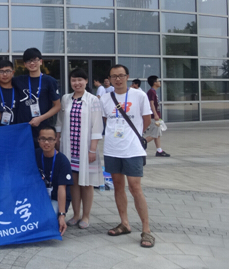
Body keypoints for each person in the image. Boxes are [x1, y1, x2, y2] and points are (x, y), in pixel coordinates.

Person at [101, 64, 155, 248]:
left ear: (127, 77)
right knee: (118, 186)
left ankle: (146, 230)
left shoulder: (139, 95)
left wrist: (133, 135)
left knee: (135, 187)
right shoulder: (105, 98)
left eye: (121, 75)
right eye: (114, 76)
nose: (117, 79)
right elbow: (106, 121)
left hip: (132, 149)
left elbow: (147, 120)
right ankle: (124, 223)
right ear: (109, 79)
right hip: (112, 148)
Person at [56, 68, 103, 229]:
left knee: (87, 183)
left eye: (80, 80)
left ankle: (86, 216)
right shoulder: (66, 98)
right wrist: (57, 139)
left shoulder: (93, 100)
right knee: (73, 182)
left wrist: (92, 149)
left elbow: (97, 126)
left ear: (86, 81)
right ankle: (76, 215)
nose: (77, 83)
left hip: (86, 148)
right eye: (74, 80)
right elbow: (60, 121)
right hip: (69, 148)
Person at [12, 48, 61, 148]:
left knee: (41, 155)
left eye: (35, 60)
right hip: (24, 128)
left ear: (41, 61)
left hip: (43, 128)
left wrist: (40, 118)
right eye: (28, 61)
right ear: (25, 64)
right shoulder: (19, 80)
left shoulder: (49, 81)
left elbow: (57, 106)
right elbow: (2, 81)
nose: (32, 63)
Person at [35, 125, 72, 237]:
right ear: (38, 140)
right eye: (43, 139)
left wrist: (62, 215)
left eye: (50, 139)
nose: (46, 142)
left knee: (48, 217)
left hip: (56, 198)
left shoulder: (63, 161)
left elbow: (62, 189)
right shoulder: (35, 155)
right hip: (39, 197)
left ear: (56, 140)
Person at [144, 75, 170, 157]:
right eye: (158, 81)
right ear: (154, 83)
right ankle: (140, 143)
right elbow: (151, 103)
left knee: (157, 134)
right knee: (153, 134)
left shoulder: (153, 92)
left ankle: (159, 150)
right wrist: (155, 114)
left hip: (156, 116)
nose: (160, 82)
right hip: (153, 117)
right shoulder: (151, 92)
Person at [0, 59, 18, 126]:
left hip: (16, 129)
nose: (4, 74)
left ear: (13, 72)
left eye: (8, 71)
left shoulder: (19, 90)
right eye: (1, 72)